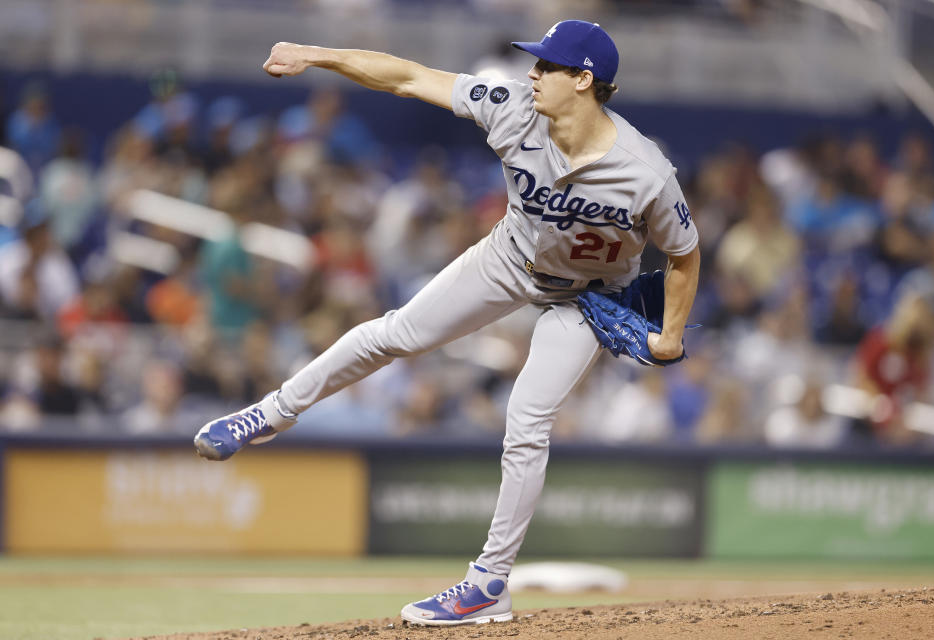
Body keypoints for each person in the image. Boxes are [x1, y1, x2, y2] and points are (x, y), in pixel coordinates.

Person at [194, 20, 700, 626]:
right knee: (395, 333)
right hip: (511, 259)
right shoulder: (511, 106)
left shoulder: (646, 172)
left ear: (584, 80)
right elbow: (408, 77)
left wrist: (670, 335)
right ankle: (271, 412)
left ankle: (487, 584)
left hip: (590, 298)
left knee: (528, 420)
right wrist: (319, 55)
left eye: (547, 66)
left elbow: (684, 256)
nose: (531, 74)